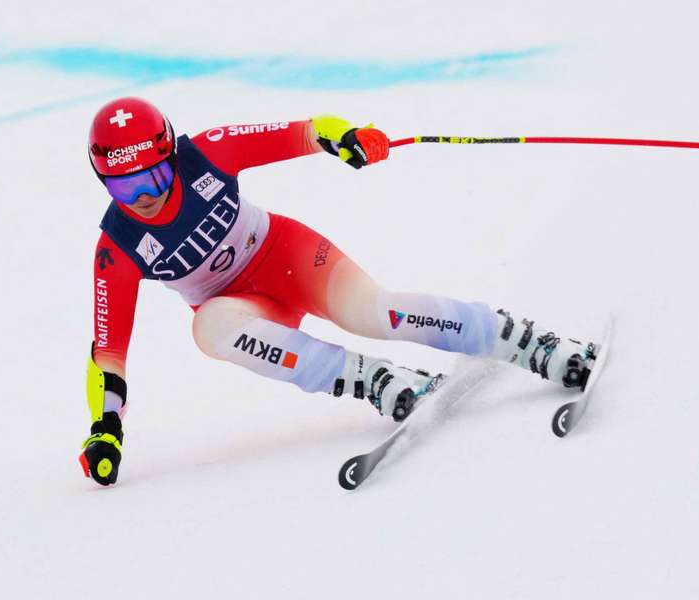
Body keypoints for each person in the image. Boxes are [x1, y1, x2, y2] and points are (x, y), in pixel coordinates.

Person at [80, 97, 597, 486]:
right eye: (124, 187)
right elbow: (109, 352)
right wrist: (106, 428)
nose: (143, 197)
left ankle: (531, 343)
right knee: (208, 328)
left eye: (153, 177)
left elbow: (307, 131)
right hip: (246, 308)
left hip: (287, 257)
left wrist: (347, 137)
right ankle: (374, 380)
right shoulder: (117, 247)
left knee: (377, 313)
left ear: (172, 155)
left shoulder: (207, 153)